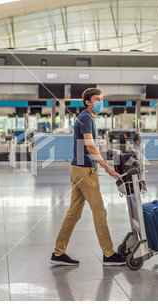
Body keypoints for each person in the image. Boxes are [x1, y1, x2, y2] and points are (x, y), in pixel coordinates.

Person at [51, 88, 126, 266]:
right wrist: (107, 168)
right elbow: (91, 147)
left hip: (77, 169)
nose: (100, 102)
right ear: (87, 102)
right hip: (85, 171)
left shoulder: (87, 117)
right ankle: (109, 254)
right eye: (96, 99)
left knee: (74, 213)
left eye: (101, 98)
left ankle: (58, 252)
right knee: (99, 211)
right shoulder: (86, 118)